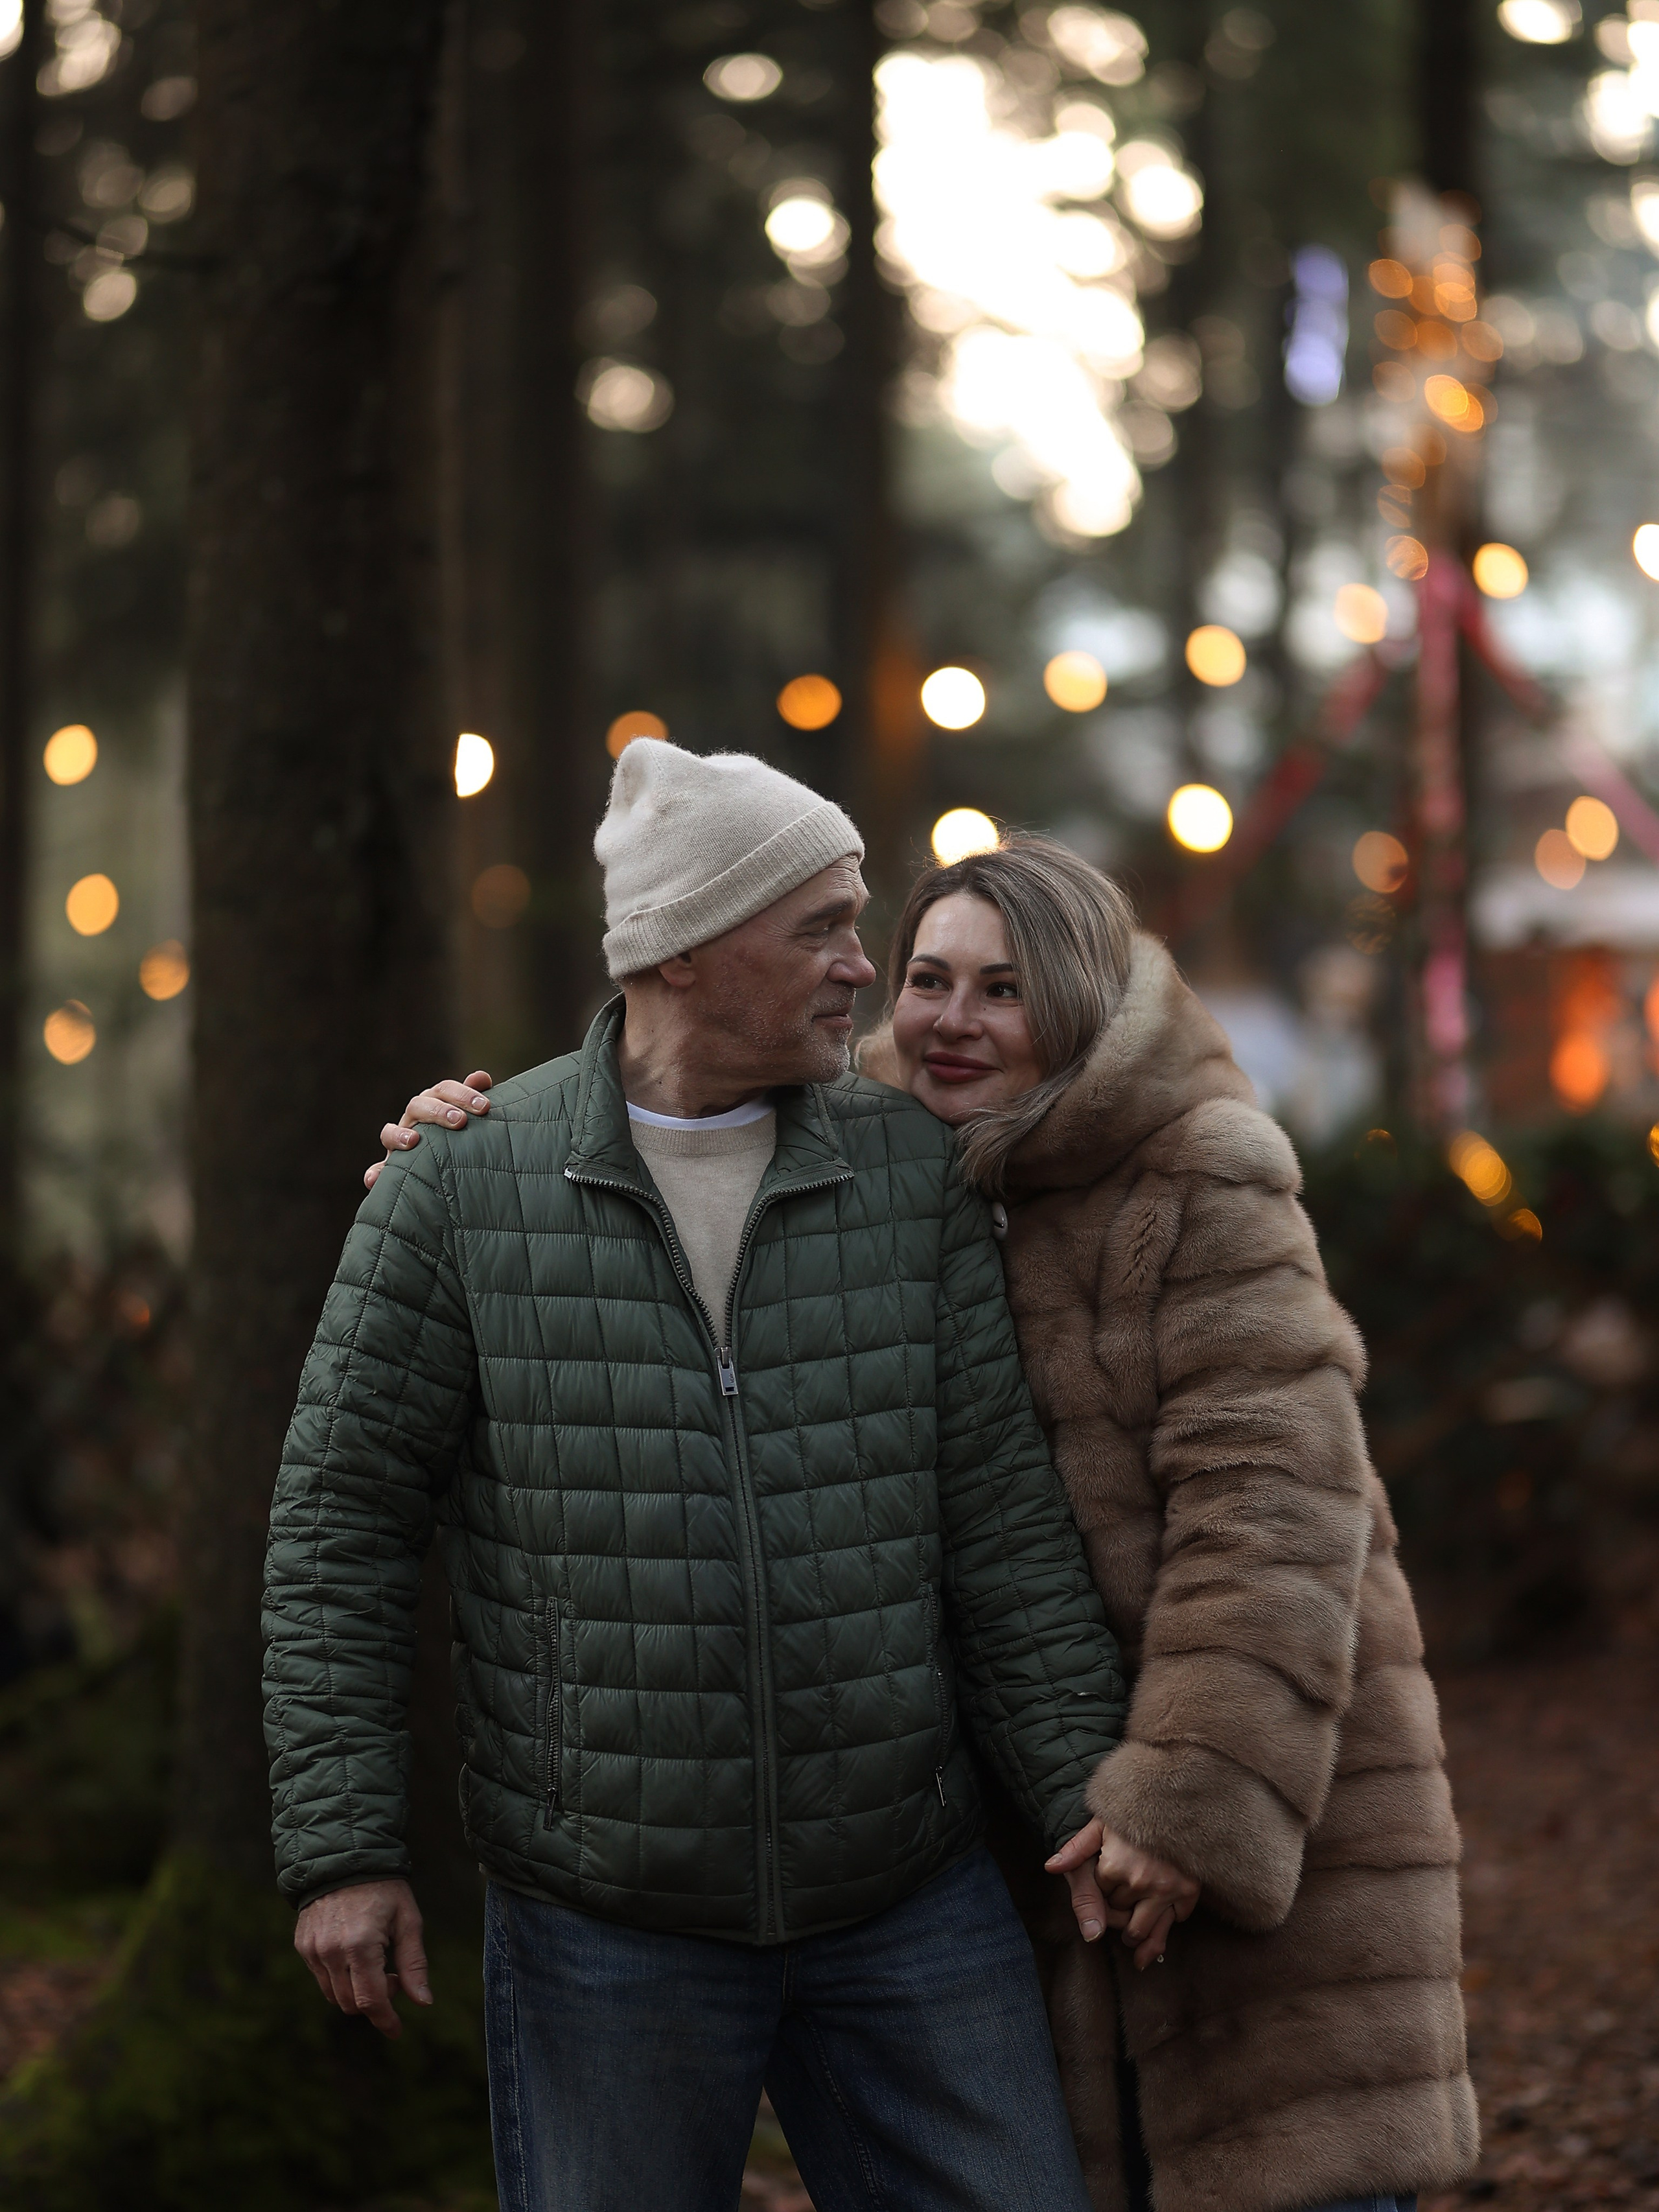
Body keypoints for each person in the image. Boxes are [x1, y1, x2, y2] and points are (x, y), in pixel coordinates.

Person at [391, 830, 1478, 2212]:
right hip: (1035, 1831)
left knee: (1277, 2172)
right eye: (927, 979)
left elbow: (1271, 1514)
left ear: (1080, 1003)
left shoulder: (1195, 1176)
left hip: (1235, 1785)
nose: (952, 1021)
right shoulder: (883, 1169)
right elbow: (654, 1114)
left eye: (1004, 989)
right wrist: (457, 1145)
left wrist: (1185, 1800)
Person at [264, 744, 1173, 2212]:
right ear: (684, 951)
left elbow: (997, 1519)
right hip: (601, 1921)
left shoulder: (907, 1178)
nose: (858, 969)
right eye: (819, 925)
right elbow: (338, 1532)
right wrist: (341, 1851)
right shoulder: (459, 1188)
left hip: (903, 1893)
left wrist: (1086, 1788)